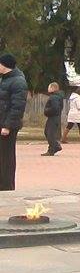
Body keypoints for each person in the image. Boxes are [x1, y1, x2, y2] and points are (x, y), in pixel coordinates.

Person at [0, 53, 27, 190]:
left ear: (4, 65)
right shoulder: (4, 79)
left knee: (6, 158)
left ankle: (6, 186)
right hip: (2, 122)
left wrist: (8, 126)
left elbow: (17, 107)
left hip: (7, 126)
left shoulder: (18, 81)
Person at [41, 82, 64, 156]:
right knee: (47, 132)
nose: (48, 89)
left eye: (49, 87)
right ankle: (56, 146)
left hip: (53, 117)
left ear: (52, 88)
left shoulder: (54, 97)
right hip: (55, 117)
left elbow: (55, 108)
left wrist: (47, 111)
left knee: (50, 133)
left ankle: (51, 150)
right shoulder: (57, 96)